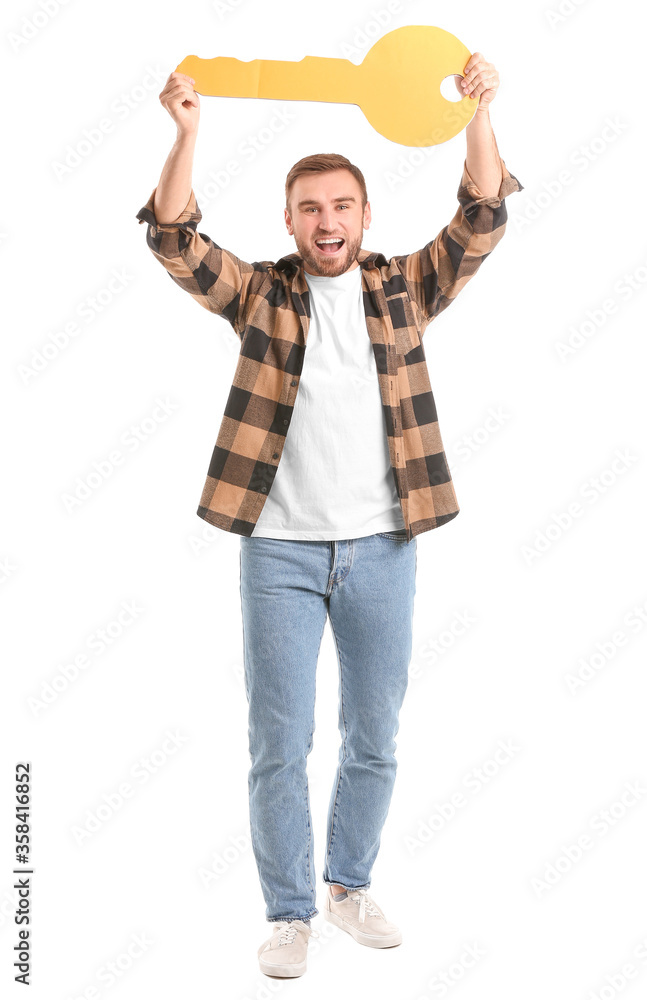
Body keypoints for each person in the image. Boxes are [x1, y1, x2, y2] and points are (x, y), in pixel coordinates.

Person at [136, 53, 523, 978]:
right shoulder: (264, 296)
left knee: (374, 733)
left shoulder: (402, 290)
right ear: (289, 221)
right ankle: (288, 913)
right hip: (277, 553)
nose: (326, 222)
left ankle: (348, 889)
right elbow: (175, 241)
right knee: (279, 742)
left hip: (384, 548)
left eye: (340, 206)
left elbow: (480, 219)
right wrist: (187, 133)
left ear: (362, 216)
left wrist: (477, 110)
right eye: (309, 208)